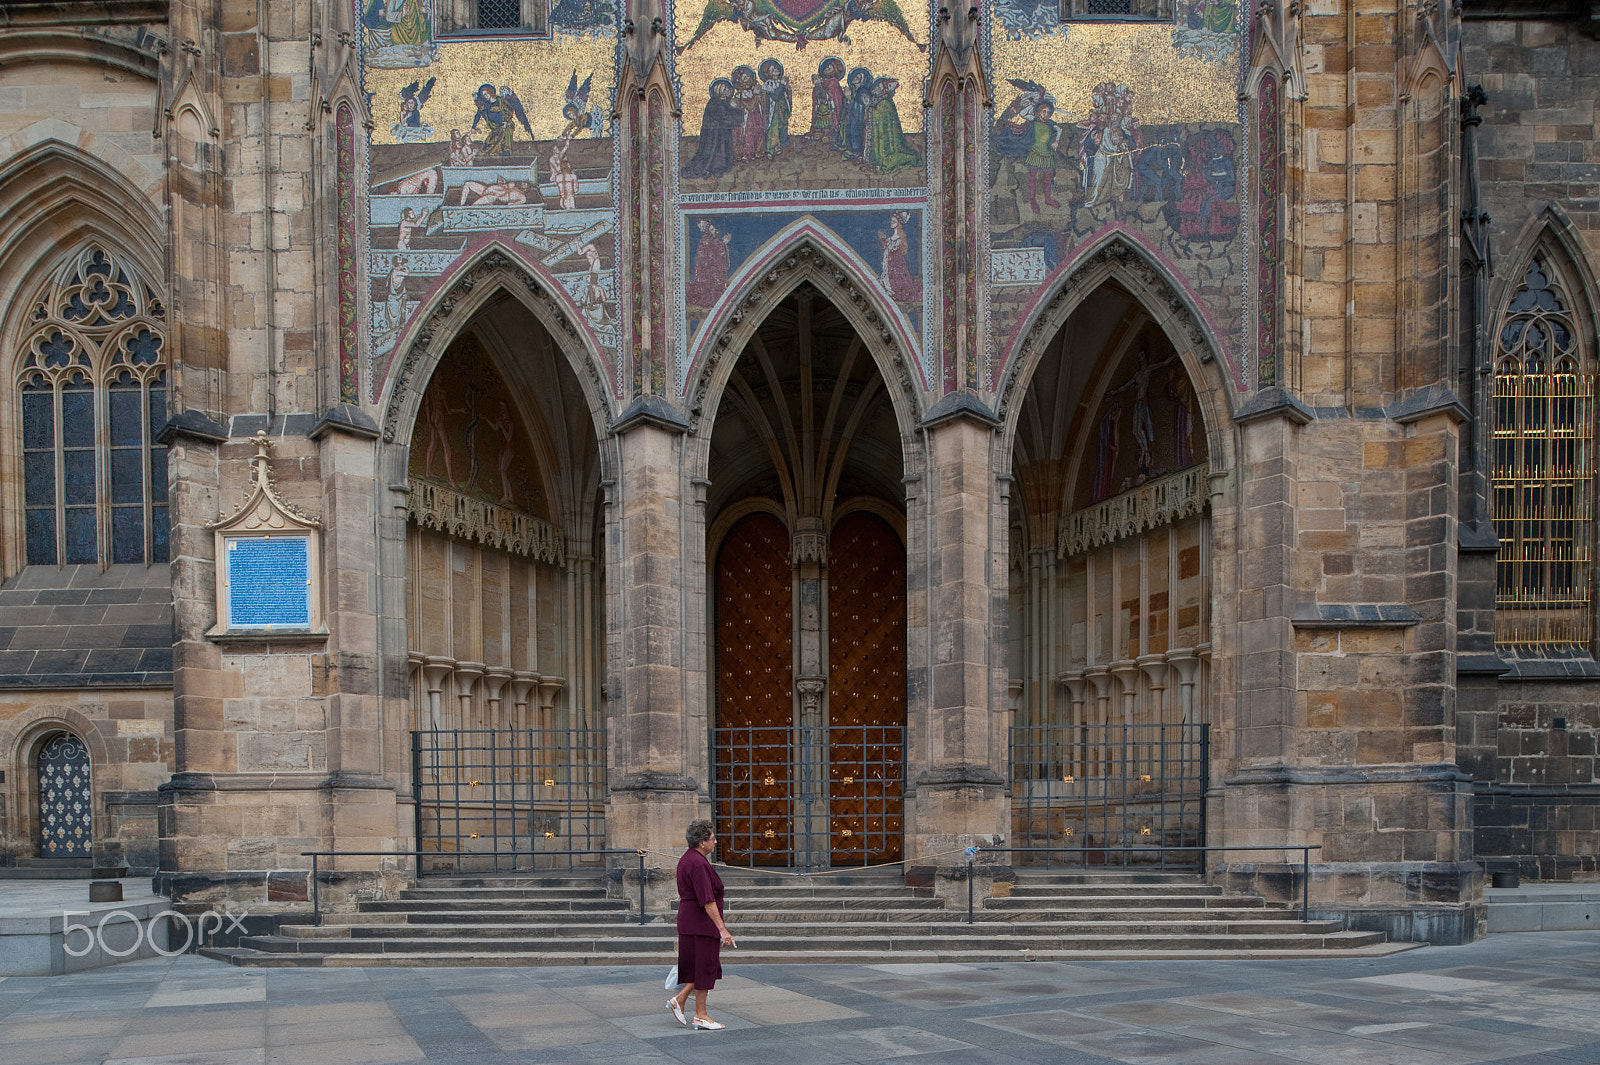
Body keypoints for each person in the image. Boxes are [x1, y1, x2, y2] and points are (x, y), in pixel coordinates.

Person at [667, 819, 735, 1031]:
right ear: (702, 842)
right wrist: (722, 929)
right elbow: (707, 899)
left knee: (704, 967)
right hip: (700, 923)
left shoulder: (689, 859)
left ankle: (680, 999)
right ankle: (701, 1015)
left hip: (692, 921)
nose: (715, 842)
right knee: (705, 967)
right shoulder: (697, 863)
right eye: (713, 839)